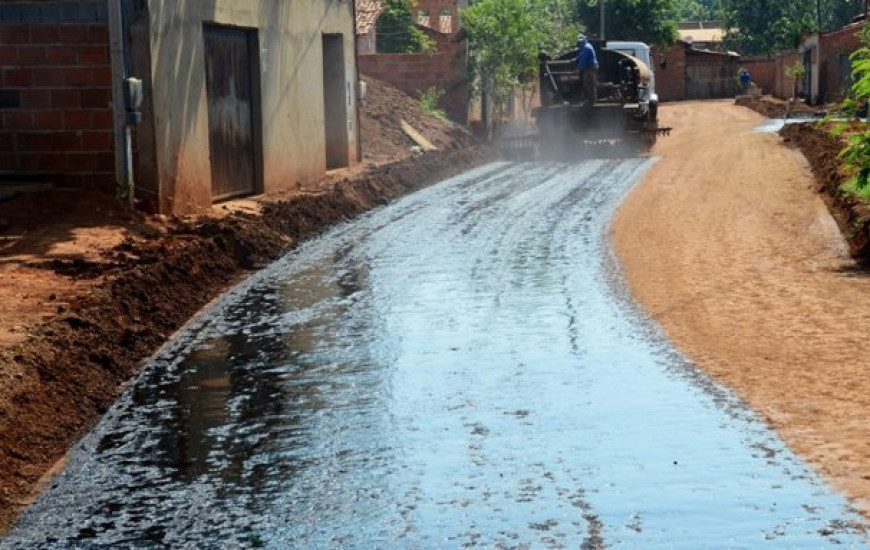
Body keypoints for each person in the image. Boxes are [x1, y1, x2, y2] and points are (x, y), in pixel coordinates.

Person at [576, 35, 599, 104]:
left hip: (590, 67)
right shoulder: (587, 46)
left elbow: (583, 60)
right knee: (589, 83)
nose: (580, 43)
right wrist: (575, 59)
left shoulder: (586, 47)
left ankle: (591, 101)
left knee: (589, 84)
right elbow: (581, 55)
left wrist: (578, 68)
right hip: (591, 67)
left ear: (584, 40)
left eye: (581, 42)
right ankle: (590, 99)